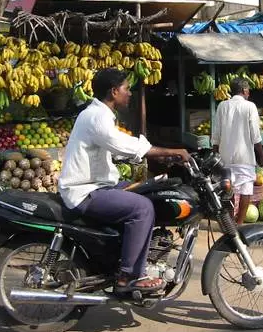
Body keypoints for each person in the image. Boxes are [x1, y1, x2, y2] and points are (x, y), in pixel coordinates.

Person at [58, 68, 190, 294]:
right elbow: (121, 144)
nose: (130, 93)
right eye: (126, 89)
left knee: (147, 191)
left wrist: (163, 156)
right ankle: (128, 277)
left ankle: (122, 255)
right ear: (113, 91)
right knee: (143, 208)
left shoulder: (100, 114)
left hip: (97, 184)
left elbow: (115, 148)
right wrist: (169, 151)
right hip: (85, 191)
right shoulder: (97, 116)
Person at [212, 77, 263, 225]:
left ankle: (229, 222)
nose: (249, 92)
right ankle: (239, 223)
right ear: (244, 90)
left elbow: (215, 135)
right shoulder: (250, 107)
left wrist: (215, 154)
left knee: (228, 190)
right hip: (245, 158)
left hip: (225, 157)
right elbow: (255, 135)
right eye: (248, 89)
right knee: (246, 190)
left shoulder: (222, 106)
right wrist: (261, 155)